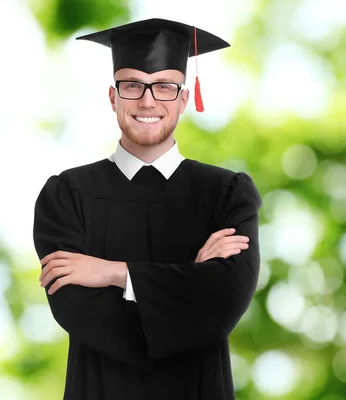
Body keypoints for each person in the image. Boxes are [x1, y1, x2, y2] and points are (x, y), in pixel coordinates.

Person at [32, 18, 261, 400]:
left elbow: (224, 302)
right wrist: (193, 281)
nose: (148, 100)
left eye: (165, 87)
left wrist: (114, 274)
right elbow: (76, 310)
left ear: (184, 99)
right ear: (113, 97)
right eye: (133, 85)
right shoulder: (67, 194)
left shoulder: (226, 194)